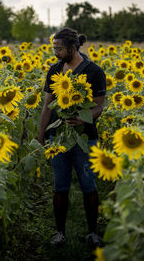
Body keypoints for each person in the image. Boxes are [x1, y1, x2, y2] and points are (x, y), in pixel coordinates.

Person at [38, 27, 106, 247]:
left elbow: (99, 107)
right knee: (60, 186)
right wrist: (41, 136)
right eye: (54, 48)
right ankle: (60, 233)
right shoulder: (55, 69)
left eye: (58, 48)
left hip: (86, 138)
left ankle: (93, 232)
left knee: (88, 184)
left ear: (71, 47)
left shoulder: (94, 71)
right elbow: (48, 106)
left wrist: (83, 119)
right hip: (58, 138)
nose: (55, 52)